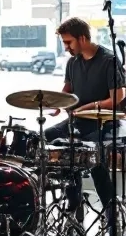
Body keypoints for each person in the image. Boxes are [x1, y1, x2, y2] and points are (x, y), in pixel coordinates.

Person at [46, 16, 126, 210]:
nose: (66, 47)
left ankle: (110, 212)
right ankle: (74, 205)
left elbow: (118, 97)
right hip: (79, 122)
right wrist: (57, 104)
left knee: (92, 152)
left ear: (82, 39)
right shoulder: (73, 62)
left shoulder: (108, 60)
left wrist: (89, 107)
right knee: (49, 138)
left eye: (68, 42)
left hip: (106, 123)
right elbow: (67, 88)